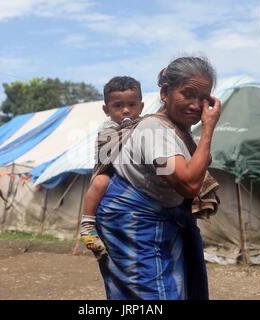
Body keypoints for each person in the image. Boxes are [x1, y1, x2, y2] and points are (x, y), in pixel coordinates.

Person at [95, 55, 221, 300]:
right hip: (136, 224)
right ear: (165, 92)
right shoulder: (155, 130)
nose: (196, 105)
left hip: (160, 223)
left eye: (203, 98)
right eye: (188, 94)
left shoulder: (175, 131)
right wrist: (208, 129)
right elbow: (187, 184)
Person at [80, 76, 144, 259]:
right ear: (106, 109)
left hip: (134, 176)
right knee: (100, 182)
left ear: (141, 106)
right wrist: (130, 128)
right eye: (118, 106)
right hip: (108, 170)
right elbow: (108, 151)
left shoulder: (147, 125)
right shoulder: (107, 127)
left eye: (132, 105)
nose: (126, 110)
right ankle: (87, 225)